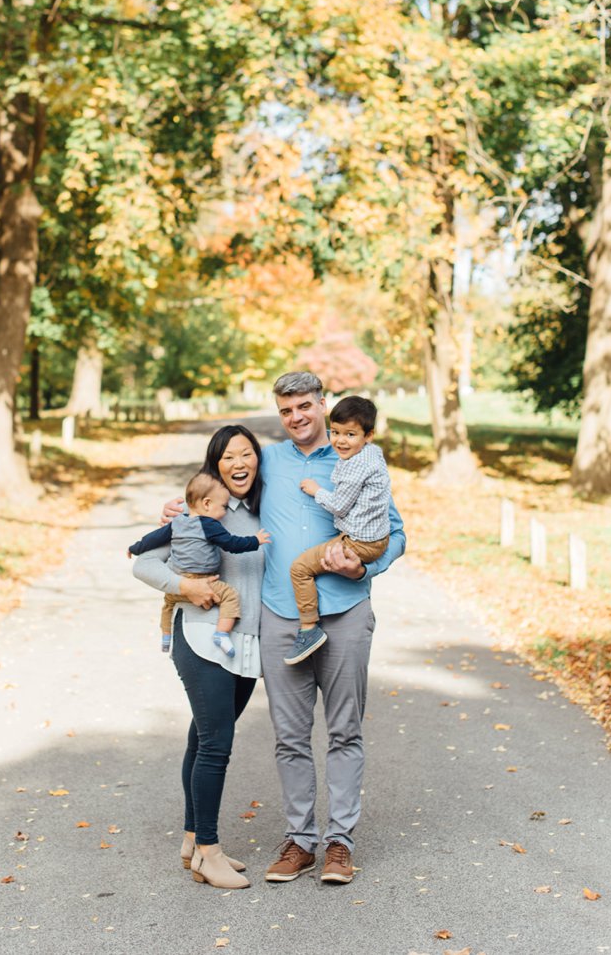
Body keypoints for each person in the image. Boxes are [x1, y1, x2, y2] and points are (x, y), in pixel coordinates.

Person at [159, 371, 406, 886]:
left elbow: (395, 532)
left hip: (345, 613)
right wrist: (179, 511)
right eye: (286, 410)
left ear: (324, 405)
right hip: (279, 617)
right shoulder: (268, 461)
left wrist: (364, 568)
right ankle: (300, 840)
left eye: (305, 407)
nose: (297, 418)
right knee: (289, 737)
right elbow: (216, 489)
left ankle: (340, 843)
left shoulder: (356, 460)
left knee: (344, 731)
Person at [133, 425, 269, 890]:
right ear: (216, 463)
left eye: (247, 453)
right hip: (199, 633)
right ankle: (209, 852)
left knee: (203, 736)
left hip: (247, 640)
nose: (239, 463)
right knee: (217, 742)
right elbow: (143, 563)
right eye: (228, 455)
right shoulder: (196, 511)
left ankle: (193, 839)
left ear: (257, 459)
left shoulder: (263, 509)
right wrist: (185, 586)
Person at [285, 394, 391, 666]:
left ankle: (309, 628)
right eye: (336, 432)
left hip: (360, 543)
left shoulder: (357, 466)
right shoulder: (371, 454)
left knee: (300, 568)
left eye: (351, 434)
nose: (341, 440)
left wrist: (315, 490)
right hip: (369, 536)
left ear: (368, 435)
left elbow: (340, 506)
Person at [128, 470, 271, 657]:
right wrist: (255, 540)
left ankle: (165, 636)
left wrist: (135, 547)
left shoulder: (177, 522)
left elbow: (153, 538)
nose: (225, 510)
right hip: (203, 580)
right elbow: (232, 544)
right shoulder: (210, 525)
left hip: (178, 579)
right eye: (224, 506)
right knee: (230, 596)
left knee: (168, 604)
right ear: (207, 504)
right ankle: (221, 634)